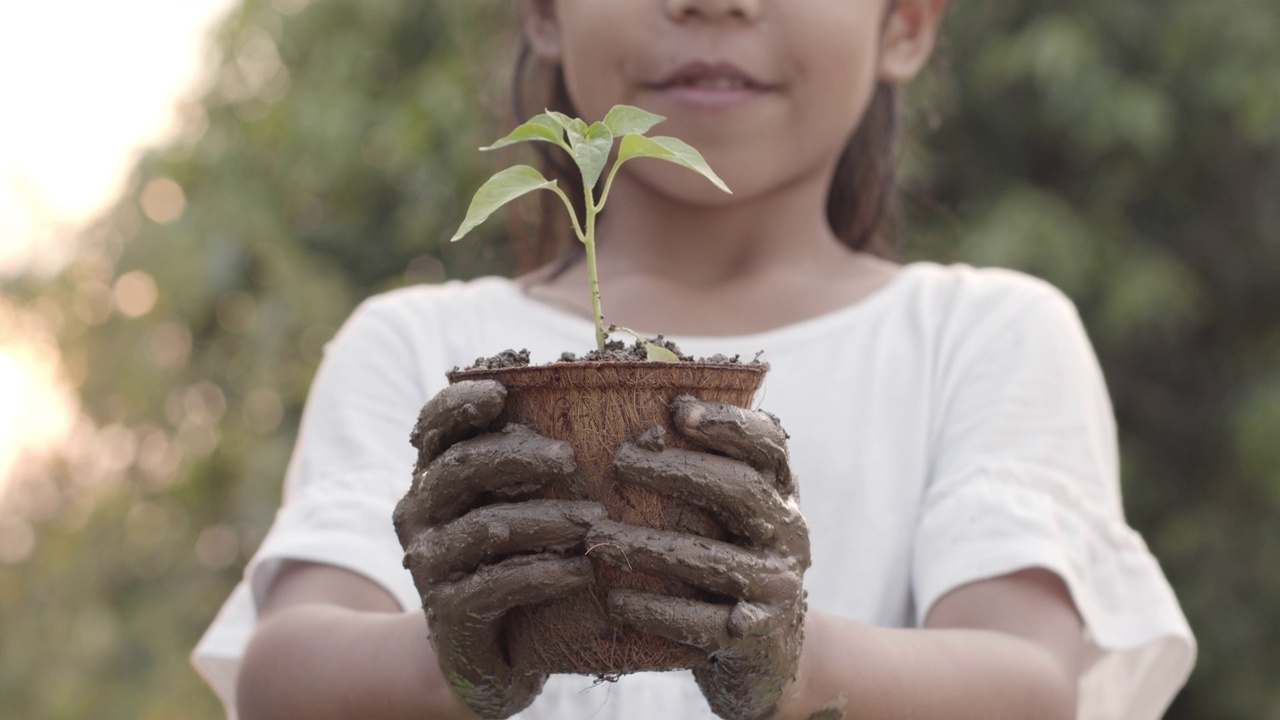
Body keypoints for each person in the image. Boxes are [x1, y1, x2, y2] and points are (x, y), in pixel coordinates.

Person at [193, 0, 1196, 718]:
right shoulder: (412, 345)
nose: (712, 4)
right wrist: (448, 658)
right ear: (541, 12)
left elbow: (1027, 686)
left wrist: (792, 664)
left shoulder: (980, 336)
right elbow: (283, 675)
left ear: (906, 24)